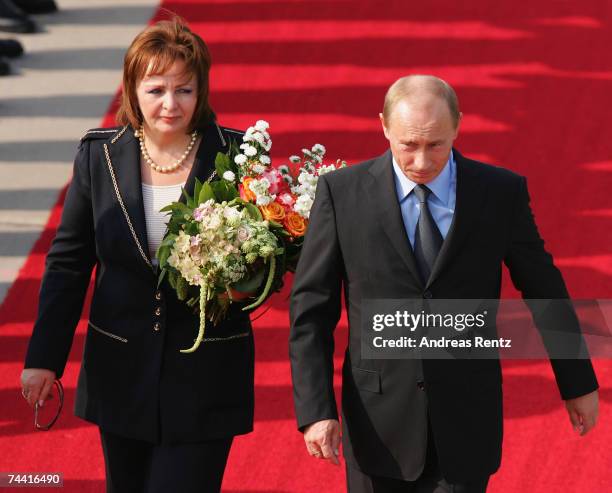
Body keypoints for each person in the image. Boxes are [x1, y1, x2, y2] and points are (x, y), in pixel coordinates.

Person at [289, 75, 599, 492]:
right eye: (408, 145)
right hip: (377, 423)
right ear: (384, 126)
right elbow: (312, 308)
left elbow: (544, 286)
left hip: (466, 418)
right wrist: (316, 409)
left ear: (458, 126)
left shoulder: (499, 193)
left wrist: (577, 381)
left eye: (435, 144)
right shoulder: (342, 194)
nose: (420, 161)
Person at [21, 17, 253, 493]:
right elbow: (68, 261)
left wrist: (239, 282)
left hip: (206, 373)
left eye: (184, 90)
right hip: (120, 371)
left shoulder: (237, 154)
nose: (170, 104)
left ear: (201, 90)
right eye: (156, 89)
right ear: (132, 89)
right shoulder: (99, 156)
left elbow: (262, 265)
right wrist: (44, 358)